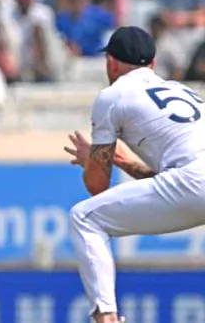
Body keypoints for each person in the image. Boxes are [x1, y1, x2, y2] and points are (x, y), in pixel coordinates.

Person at [64, 26, 205, 323]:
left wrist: (94, 159)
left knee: (85, 218)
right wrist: (123, 162)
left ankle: (106, 317)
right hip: (191, 178)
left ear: (111, 63)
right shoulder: (183, 90)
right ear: (152, 65)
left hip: (192, 181)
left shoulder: (112, 96)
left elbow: (97, 186)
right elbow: (168, 178)